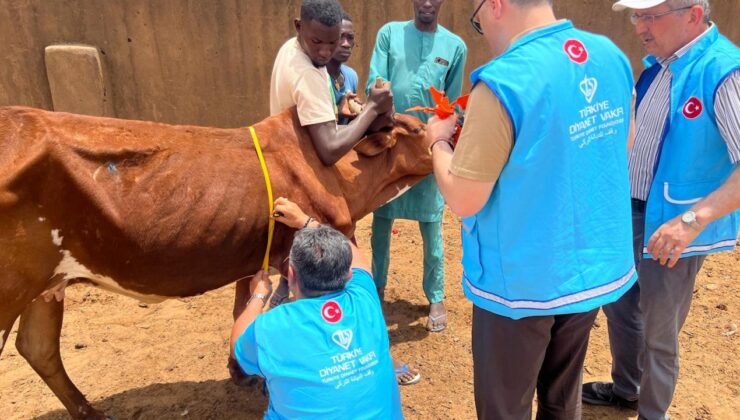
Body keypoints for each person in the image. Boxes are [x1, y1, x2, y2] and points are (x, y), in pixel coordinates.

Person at [427, 0, 637, 418]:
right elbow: (621, 145)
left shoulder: (505, 81)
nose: (481, 25)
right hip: (589, 269)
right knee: (562, 394)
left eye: (478, 14)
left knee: (505, 405)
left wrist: (437, 142)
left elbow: (465, 198)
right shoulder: (610, 55)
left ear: (498, 4)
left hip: (521, 283)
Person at [581, 1, 740, 419]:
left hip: (673, 224)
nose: (640, 27)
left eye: (651, 16)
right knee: (620, 307)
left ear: (693, 14)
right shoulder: (661, 65)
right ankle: (627, 389)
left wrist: (692, 221)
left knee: (659, 332)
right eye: (637, 16)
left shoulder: (723, 70)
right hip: (628, 212)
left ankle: (653, 413)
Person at [234, 0, 394, 315]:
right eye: (317, 42)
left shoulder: (291, 51)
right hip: (303, 177)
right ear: (299, 27)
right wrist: (373, 110)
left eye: (332, 42)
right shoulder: (308, 74)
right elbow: (329, 148)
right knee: (328, 252)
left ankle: (284, 298)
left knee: (295, 257)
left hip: (284, 166)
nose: (324, 50)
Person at [231, 197, 403, 419]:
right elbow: (358, 259)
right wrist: (305, 220)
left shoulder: (273, 326)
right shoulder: (364, 298)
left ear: (291, 275)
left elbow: (237, 343)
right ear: (349, 274)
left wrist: (258, 295)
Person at [367, 0, 467, 335]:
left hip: (426, 149)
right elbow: (376, 82)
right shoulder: (389, 34)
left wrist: (438, 140)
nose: (427, 2)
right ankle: (376, 289)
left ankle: (435, 296)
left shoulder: (455, 47)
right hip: (391, 144)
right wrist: (387, 107)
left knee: (432, 224)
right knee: (381, 223)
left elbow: (448, 107)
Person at [328, 12, 361, 125]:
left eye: (350, 38)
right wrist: (338, 111)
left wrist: (359, 111)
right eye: (340, 37)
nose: (346, 44)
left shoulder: (351, 76)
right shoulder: (318, 76)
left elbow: (350, 124)